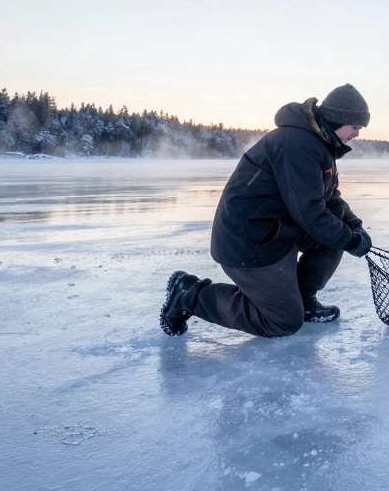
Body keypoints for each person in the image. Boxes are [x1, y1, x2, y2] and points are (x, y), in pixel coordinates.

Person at [159, 84, 373, 338]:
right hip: (250, 240)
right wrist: (349, 239)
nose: (357, 134)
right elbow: (309, 212)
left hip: (278, 228)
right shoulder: (298, 145)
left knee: (332, 240)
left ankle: (303, 300)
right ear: (341, 119)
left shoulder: (320, 144)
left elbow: (329, 197)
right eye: (356, 127)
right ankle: (191, 295)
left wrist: (352, 224)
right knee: (282, 321)